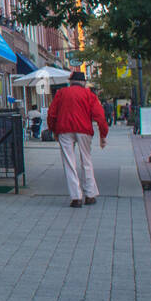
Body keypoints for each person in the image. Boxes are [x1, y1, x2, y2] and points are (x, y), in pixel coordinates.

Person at [47, 71, 108, 207]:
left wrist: (53, 130)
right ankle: (90, 195)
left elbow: (52, 114)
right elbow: (100, 116)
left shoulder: (61, 93)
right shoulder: (89, 95)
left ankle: (76, 197)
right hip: (84, 130)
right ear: (83, 82)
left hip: (64, 129)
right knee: (86, 161)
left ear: (71, 81)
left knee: (69, 162)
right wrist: (103, 135)